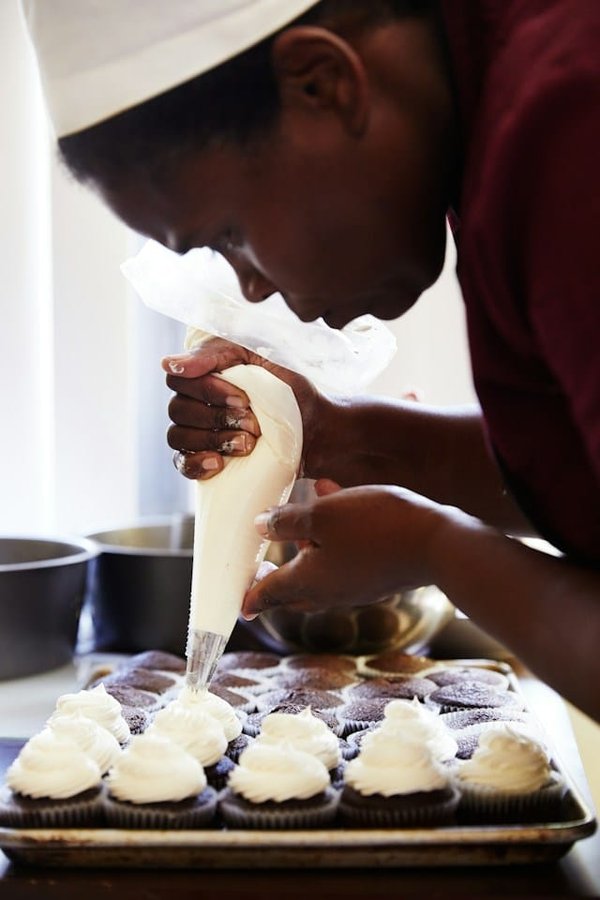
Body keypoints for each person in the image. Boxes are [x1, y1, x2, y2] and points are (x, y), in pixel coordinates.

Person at [22, 1, 600, 721]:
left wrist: (438, 550)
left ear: (324, 84)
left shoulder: (571, 127)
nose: (254, 286)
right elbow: (574, 467)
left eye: (232, 232)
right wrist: (332, 436)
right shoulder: (493, 117)